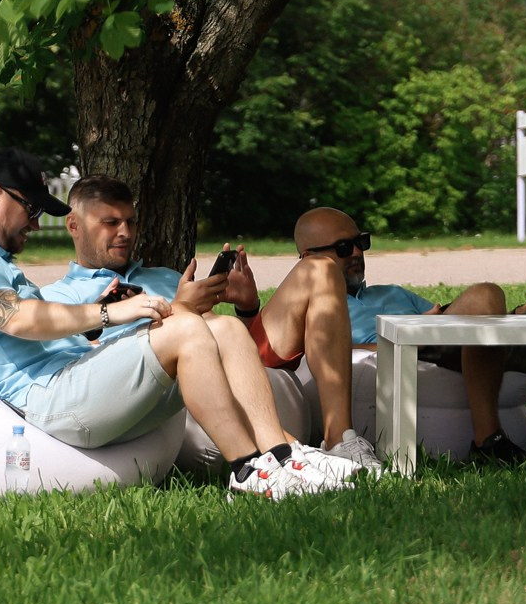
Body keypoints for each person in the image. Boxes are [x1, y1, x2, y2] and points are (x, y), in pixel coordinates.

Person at [0, 148, 351, 500]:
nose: (36, 224)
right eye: (32, 209)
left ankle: (279, 455)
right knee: (186, 328)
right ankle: (245, 472)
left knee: (222, 328)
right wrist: (112, 312)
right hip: (49, 398)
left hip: (75, 381)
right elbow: (19, 319)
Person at [36, 176, 370, 473]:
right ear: (74, 225)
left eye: (130, 222)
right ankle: (290, 456)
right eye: (111, 223)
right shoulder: (60, 298)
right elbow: (90, 378)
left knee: (321, 268)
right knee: (195, 331)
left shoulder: (166, 277)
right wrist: (181, 311)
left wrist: (247, 307)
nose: (125, 233)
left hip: (249, 372)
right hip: (188, 399)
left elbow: (228, 336)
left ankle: (341, 440)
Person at [260, 207, 526, 467]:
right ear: (308, 258)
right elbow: (321, 350)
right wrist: (411, 334)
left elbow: (441, 317)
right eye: (343, 247)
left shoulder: (390, 292)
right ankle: (487, 438)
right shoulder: (316, 305)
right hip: (421, 350)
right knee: (486, 294)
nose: (355, 253)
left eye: (360, 243)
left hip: (458, 336)